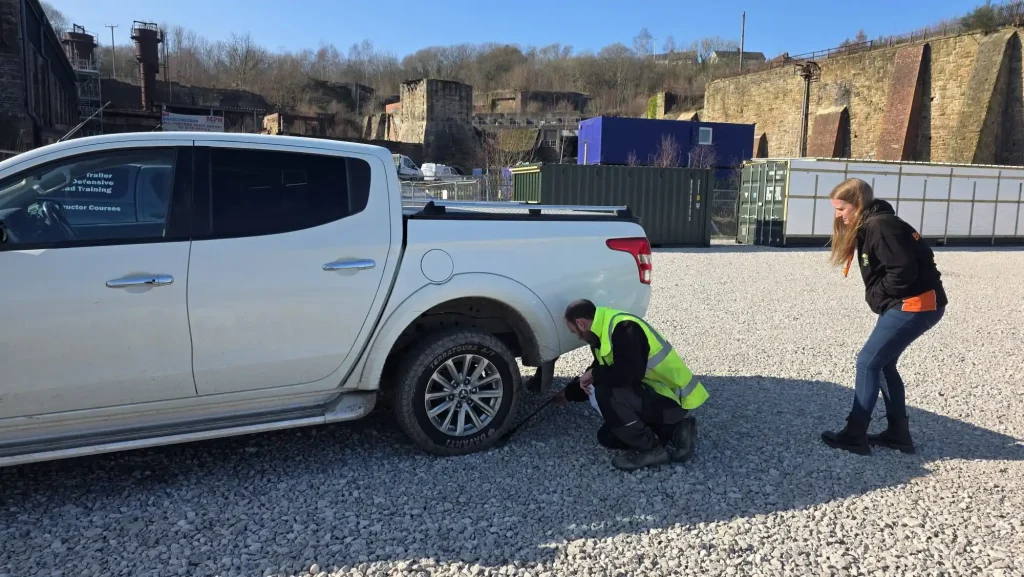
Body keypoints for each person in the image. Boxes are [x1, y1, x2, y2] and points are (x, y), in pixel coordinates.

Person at [821, 178, 947, 456]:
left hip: (916, 304)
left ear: (858, 204)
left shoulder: (880, 226)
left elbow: (903, 270)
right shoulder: (874, 223)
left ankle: (855, 434)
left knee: (867, 362)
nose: (838, 215)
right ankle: (898, 434)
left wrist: (878, 295)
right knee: (884, 363)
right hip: (909, 303)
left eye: (841, 208)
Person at [554, 299, 710, 471]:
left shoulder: (625, 328)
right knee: (608, 436)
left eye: (574, 332)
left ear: (580, 323)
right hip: (653, 397)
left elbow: (624, 376)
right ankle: (676, 429)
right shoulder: (603, 332)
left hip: (672, 399)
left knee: (607, 393)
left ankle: (652, 449)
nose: (578, 337)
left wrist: (595, 373)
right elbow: (600, 369)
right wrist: (569, 394)